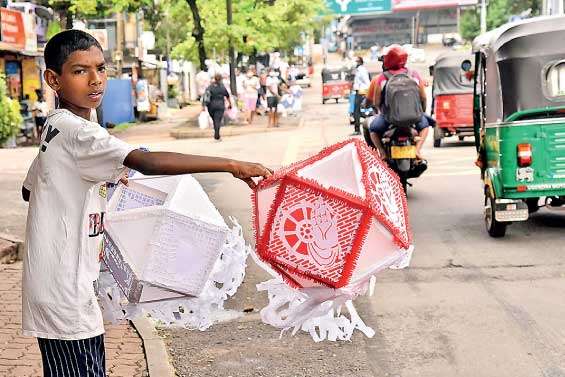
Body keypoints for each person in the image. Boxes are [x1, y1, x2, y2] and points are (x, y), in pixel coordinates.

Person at [21, 30, 271, 377]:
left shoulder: (56, 127)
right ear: (53, 79)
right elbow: (148, 163)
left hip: (62, 286)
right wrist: (230, 164)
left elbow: (28, 190)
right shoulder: (81, 133)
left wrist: (90, 182)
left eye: (101, 68)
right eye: (80, 71)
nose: (95, 80)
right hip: (65, 292)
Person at [367, 44, 430, 160]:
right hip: (414, 117)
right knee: (425, 127)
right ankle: (417, 150)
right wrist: (421, 112)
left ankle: (382, 153)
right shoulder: (414, 75)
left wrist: (382, 111)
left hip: (389, 118)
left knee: (373, 130)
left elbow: (376, 102)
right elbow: (423, 98)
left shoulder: (382, 78)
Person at [203, 73, 232, 140]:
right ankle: (217, 134)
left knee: (214, 120)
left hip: (211, 106)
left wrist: (203, 105)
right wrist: (230, 104)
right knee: (217, 120)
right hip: (220, 105)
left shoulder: (210, 87)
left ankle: (216, 133)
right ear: (221, 79)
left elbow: (205, 96)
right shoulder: (222, 87)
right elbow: (227, 96)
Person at [352, 56, 370, 135]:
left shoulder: (362, 70)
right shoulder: (358, 70)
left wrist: (368, 92)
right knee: (357, 111)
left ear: (360, 62)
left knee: (356, 111)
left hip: (361, 92)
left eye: (356, 61)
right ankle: (358, 128)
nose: (355, 63)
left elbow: (367, 81)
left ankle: (357, 130)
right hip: (359, 91)